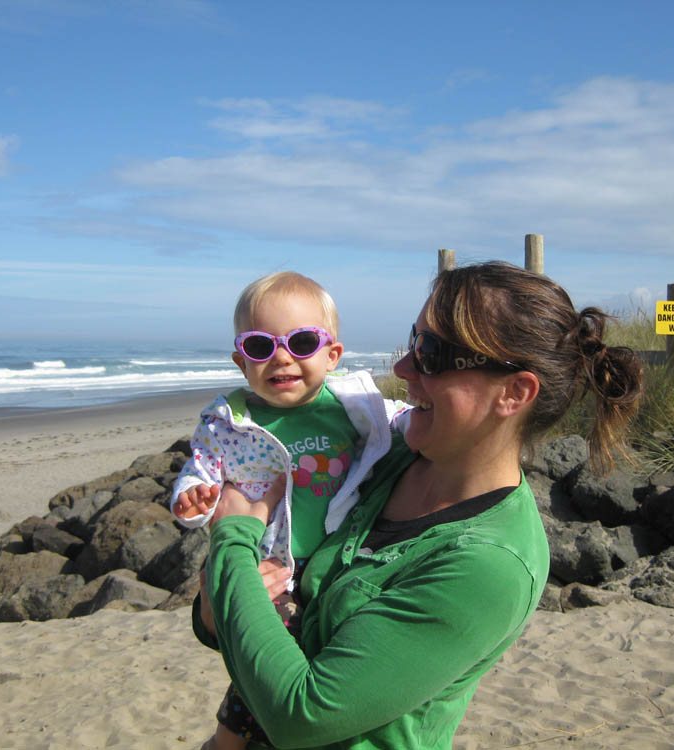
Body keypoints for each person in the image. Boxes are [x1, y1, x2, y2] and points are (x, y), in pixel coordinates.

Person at [194, 260, 644, 749]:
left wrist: (231, 542)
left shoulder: (489, 563)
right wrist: (217, 606)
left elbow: (302, 716)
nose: (403, 367)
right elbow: (238, 618)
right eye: (414, 340)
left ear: (514, 393)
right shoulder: (385, 458)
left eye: (432, 354)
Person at [170, 271, 410, 750]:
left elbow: (400, 419)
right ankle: (227, 739)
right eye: (261, 347)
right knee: (267, 649)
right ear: (242, 361)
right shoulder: (230, 424)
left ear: (332, 355)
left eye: (301, 342)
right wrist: (193, 498)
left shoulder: (352, 406)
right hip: (270, 563)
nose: (282, 358)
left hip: (336, 559)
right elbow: (203, 471)